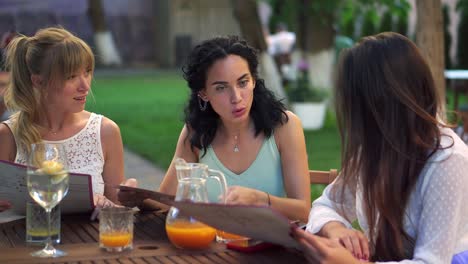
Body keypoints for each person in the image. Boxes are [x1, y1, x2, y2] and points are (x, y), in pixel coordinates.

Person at [291, 32, 468, 263]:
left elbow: (430, 261)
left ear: (381, 104)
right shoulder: (376, 147)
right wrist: (335, 229)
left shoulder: (447, 161)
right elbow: (327, 204)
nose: (354, 120)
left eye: (357, 106)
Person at [120, 36, 311, 222]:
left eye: (243, 82)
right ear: (203, 94)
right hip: (211, 247)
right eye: (221, 88)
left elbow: (303, 211)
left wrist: (260, 200)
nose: (236, 97)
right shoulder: (196, 133)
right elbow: (167, 201)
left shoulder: (284, 126)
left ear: (253, 80)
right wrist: (139, 198)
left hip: (271, 247)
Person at [0, 27, 125, 215]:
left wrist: (115, 205)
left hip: (89, 243)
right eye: (72, 77)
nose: (85, 86)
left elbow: (118, 216)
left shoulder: (106, 132)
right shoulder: (7, 136)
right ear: (38, 81)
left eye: (87, 72)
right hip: (27, 243)